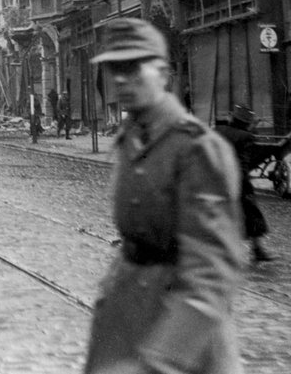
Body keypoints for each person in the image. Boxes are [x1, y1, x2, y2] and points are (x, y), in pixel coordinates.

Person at [84, 18, 243, 374]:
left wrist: (160, 362)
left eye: (134, 68)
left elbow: (211, 273)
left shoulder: (197, 148)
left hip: (183, 340)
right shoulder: (128, 141)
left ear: (163, 73)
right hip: (126, 323)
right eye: (115, 69)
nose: (122, 79)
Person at [215, 105, 275, 263]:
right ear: (245, 122)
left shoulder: (218, 130)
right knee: (251, 214)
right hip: (236, 181)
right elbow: (243, 162)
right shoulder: (246, 137)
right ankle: (257, 250)